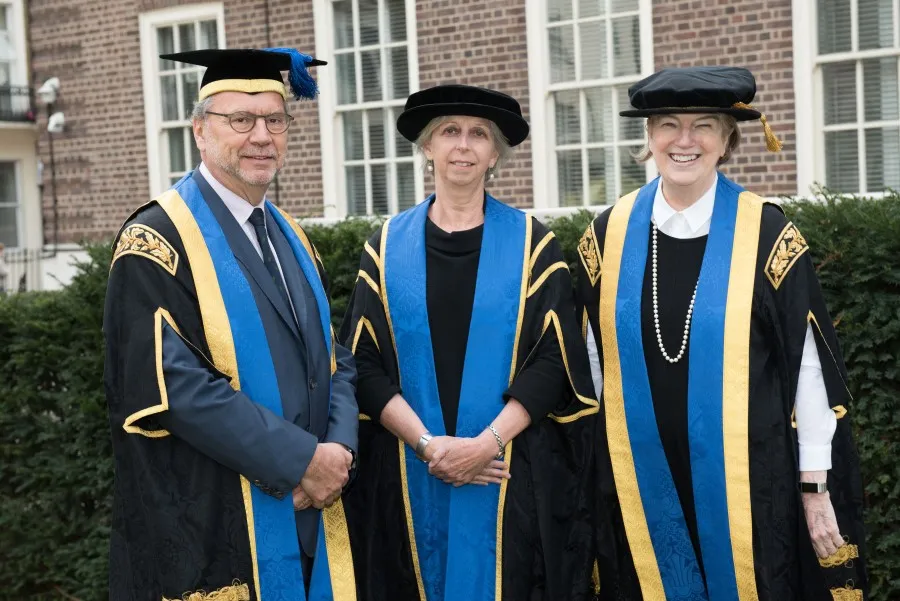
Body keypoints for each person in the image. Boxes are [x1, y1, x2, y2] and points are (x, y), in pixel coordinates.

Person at [576, 66, 868, 600]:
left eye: (704, 125)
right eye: (668, 124)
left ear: (728, 138)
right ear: (648, 136)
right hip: (639, 485)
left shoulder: (766, 232)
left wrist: (814, 485)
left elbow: (808, 370)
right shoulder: (607, 236)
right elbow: (588, 369)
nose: (684, 141)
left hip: (747, 483)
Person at [103, 48, 359, 600]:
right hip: (219, 524)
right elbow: (176, 387)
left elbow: (334, 362)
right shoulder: (157, 241)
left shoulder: (292, 235)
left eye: (274, 119)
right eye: (240, 120)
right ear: (199, 130)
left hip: (311, 515)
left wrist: (337, 455)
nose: (261, 135)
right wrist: (301, 461)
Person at [339, 84, 599, 601]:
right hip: (410, 471)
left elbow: (554, 362)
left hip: (508, 476)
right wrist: (429, 446)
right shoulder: (386, 247)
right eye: (449, 132)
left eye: (479, 134)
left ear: (495, 153)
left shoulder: (533, 244)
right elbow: (361, 365)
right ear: (427, 147)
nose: (463, 145)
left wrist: (485, 445)